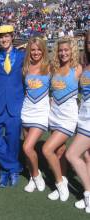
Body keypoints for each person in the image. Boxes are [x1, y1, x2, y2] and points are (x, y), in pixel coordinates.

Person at [42, 37, 82, 202]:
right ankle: (63, 179)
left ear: (71, 50)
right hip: (55, 113)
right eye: (60, 50)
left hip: (68, 116)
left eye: (66, 50)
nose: (63, 53)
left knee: (47, 149)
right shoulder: (54, 68)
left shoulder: (77, 69)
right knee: (59, 150)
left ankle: (59, 184)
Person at [0, 25, 25, 187]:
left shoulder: (23, 56)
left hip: (15, 104)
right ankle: (14, 167)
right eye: (1, 37)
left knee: (13, 140)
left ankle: (5, 171)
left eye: (7, 36)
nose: (4, 39)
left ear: (12, 36)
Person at [21, 37, 50, 193]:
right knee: (27, 150)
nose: (36, 52)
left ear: (43, 50)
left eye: (39, 49)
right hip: (26, 111)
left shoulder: (49, 67)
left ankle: (37, 174)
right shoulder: (26, 68)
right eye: (33, 50)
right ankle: (32, 177)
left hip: (41, 113)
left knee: (27, 146)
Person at [66, 31, 90, 213]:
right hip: (83, 115)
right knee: (87, 157)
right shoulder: (85, 65)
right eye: (88, 42)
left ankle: (89, 195)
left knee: (72, 154)